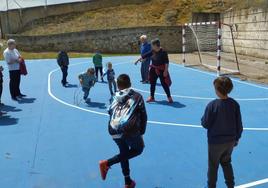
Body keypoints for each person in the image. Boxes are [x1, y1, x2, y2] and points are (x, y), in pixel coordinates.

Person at [99, 74, 147, 188]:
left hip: (113, 130)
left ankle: (128, 181)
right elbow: (144, 116)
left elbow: (110, 112)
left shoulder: (113, 97)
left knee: (124, 154)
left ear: (118, 85)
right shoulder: (137, 96)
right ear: (130, 84)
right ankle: (107, 163)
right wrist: (141, 133)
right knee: (138, 149)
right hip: (129, 130)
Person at [201, 76, 243, 188]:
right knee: (226, 162)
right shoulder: (234, 104)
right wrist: (237, 138)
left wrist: (203, 118)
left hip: (215, 142)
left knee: (213, 166)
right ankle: (230, 185)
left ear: (217, 90)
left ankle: (211, 186)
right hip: (230, 141)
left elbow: (205, 123)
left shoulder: (212, 105)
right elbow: (239, 124)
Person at [136, 39, 173, 103]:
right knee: (152, 83)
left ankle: (169, 97)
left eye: (152, 45)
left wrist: (165, 71)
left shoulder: (163, 52)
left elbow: (166, 62)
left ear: (156, 45)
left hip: (161, 69)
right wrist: (138, 60)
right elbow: (146, 55)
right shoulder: (153, 51)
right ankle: (152, 97)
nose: (151, 46)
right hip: (153, 69)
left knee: (164, 84)